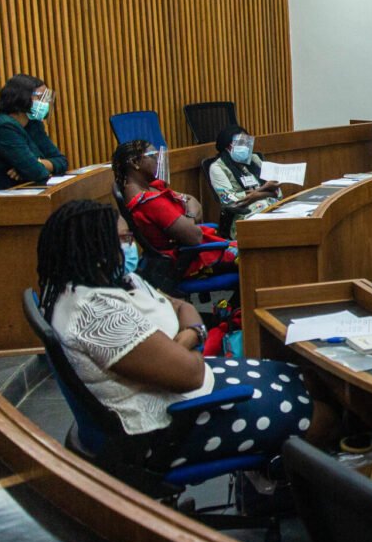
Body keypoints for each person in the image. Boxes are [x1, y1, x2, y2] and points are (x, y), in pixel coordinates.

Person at [38, 200, 334, 470]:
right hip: (168, 427)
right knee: (324, 416)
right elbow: (191, 373)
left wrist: (188, 336)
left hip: (181, 387)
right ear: (95, 247)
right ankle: (282, 485)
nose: (132, 248)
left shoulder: (112, 280)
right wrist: (188, 341)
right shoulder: (96, 313)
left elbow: (179, 305)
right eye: (125, 240)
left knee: (306, 376)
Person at [114, 139, 238, 278]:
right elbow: (194, 237)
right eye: (153, 155)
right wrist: (191, 218)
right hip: (190, 259)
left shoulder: (153, 188)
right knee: (258, 252)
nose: (157, 160)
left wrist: (187, 220)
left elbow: (192, 200)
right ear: (135, 163)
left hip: (193, 250)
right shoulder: (150, 202)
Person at [0, 74, 68, 191]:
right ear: (22, 98)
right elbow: (37, 173)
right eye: (41, 97)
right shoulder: (4, 127)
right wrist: (32, 168)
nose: (45, 103)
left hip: (20, 191)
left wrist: (36, 164)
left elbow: (62, 161)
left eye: (46, 97)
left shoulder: (33, 123)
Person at [208, 125, 282, 235]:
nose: (246, 147)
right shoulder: (217, 168)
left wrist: (257, 193)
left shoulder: (254, 159)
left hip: (273, 208)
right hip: (244, 217)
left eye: (247, 142)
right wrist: (262, 193)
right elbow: (229, 200)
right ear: (228, 146)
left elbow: (278, 192)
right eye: (241, 143)